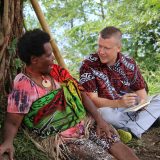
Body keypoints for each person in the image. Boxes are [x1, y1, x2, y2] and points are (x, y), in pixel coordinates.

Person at [0, 29, 139, 160]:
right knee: (102, 157)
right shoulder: (23, 85)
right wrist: (7, 142)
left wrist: (99, 120)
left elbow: (80, 92)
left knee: (115, 144)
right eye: (48, 55)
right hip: (63, 138)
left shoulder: (55, 71)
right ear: (34, 60)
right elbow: (12, 121)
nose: (53, 57)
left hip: (84, 124)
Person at [79, 26, 160, 139]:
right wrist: (118, 103)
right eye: (99, 46)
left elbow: (141, 92)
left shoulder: (129, 63)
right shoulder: (88, 65)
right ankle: (142, 123)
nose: (101, 51)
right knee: (106, 115)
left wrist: (142, 103)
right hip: (108, 109)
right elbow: (93, 100)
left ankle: (131, 128)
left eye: (106, 48)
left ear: (118, 48)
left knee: (158, 100)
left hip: (128, 109)